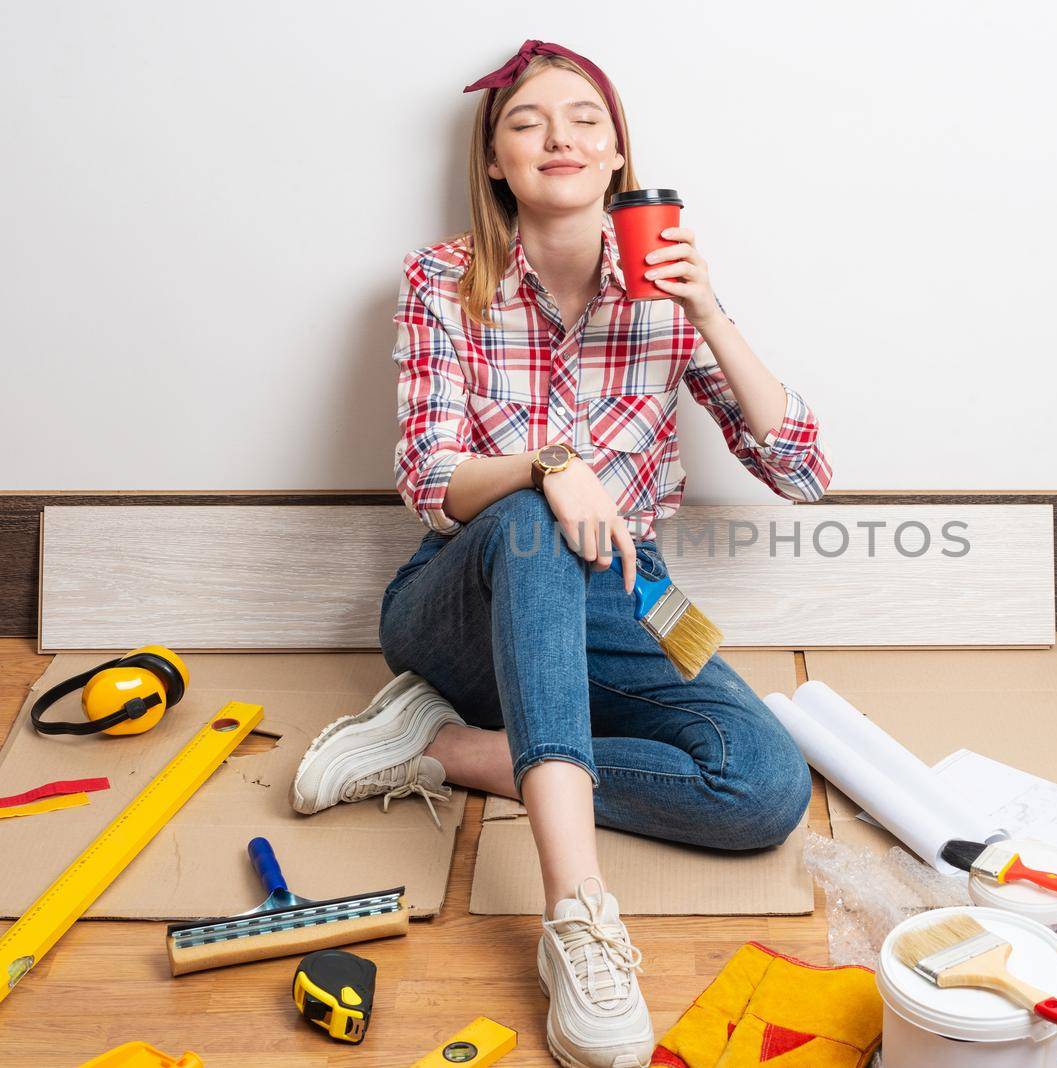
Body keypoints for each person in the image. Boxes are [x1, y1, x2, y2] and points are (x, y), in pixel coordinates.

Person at [288, 39, 833, 1068]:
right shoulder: (442, 281)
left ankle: (433, 750)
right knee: (535, 521)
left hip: (620, 606)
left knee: (763, 788)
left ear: (619, 152)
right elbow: (430, 481)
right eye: (528, 123)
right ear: (495, 161)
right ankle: (578, 915)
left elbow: (802, 471)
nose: (560, 138)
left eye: (585, 118)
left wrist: (708, 312)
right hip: (453, 607)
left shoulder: (665, 294)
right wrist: (546, 463)